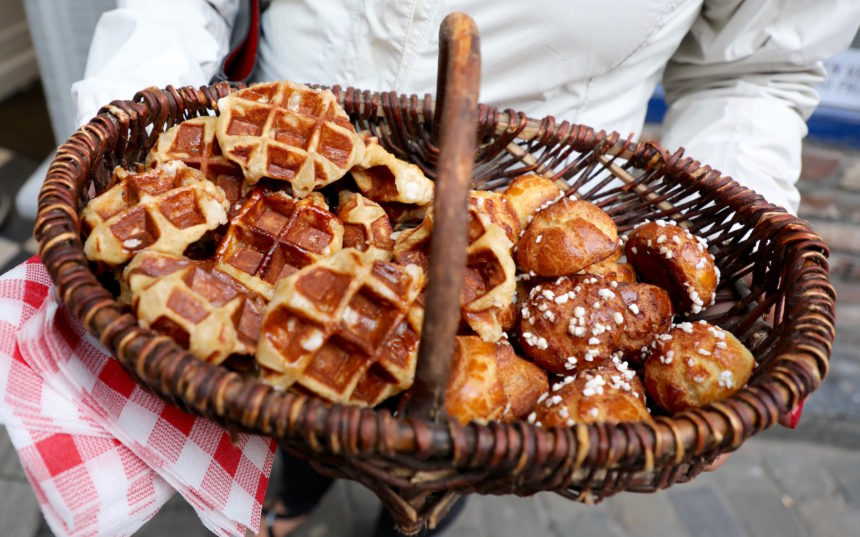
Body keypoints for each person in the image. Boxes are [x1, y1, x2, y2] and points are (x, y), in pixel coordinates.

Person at [70, 1, 860, 536]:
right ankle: (297, 488)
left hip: (539, 184)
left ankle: (409, 518)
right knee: (302, 403)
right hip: (292, 150)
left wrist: (720, 279)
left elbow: (751, 70)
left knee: (456, 442)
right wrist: (117, 153)